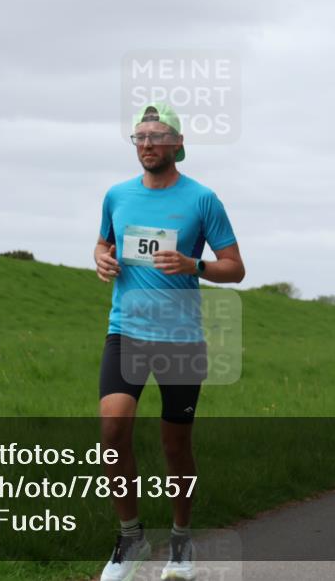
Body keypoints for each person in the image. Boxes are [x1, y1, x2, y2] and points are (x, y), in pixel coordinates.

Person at [94, 103, 245, 581]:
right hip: (126, 331)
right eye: (139, 137)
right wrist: (101, 260)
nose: (146, 144)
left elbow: (235, 267)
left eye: (156, 137)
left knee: (175, 447)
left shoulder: (203, 200)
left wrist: (193, 265)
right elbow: (103, 244)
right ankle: (131, 539)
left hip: (180, 339)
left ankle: (181, 542)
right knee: (113, 430)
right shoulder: (116, 196)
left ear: (178, 144)